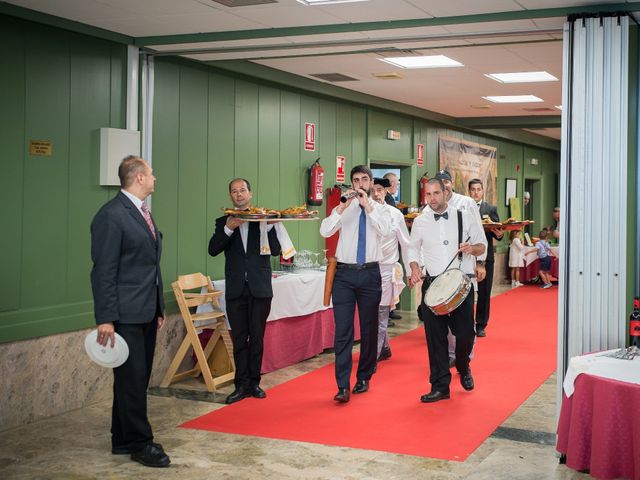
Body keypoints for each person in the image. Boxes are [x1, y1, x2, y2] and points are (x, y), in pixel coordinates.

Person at [90, 155, 170, 468]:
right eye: (151, 173)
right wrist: (105, 318)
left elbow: (149, 264)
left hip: (145, 310)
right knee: (132, 379)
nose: (154, 178)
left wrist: (158, 306)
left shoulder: (140, 212)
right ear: (138, 177)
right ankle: (141, 442)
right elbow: (103, 271)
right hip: (124, 314)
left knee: (131, 378)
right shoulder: (112, 215)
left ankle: (121, 437)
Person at [408, 178, 486, 403]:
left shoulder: (465, 215)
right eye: (428, 194)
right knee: (435, 339)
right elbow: (412, 249)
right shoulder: (421, 221)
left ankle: (463, 364)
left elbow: (482, 245)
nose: (432, 198)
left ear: (445, 192)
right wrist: (414, 267)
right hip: (432, 285)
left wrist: (472, 249)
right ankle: (440, 386)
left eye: (436, 193)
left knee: (465, 334)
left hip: (460, 285)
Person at [320, 165, 391, 403]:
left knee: (369, 330)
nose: (359, 184)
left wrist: (367, 206)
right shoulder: (344, 209)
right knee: (343, 331)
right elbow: (325, 230)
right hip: (344, 276)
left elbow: (385, 230)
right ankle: (342, 385)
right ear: (351, 184)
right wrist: (341, 208)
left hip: (370, 274)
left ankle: (364, 376)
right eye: (355, 180)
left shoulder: (380, 209)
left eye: (364, 180)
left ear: (371, 183)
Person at [208, 178, 282, 404]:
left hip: (260, 287)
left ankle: (255, 383)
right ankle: (240, 385)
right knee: (239, 338)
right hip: (236, 288)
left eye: (242, 190)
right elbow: (212, 249)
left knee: (257, 338)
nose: (239, 194)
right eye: (234, 191)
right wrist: (228, 230)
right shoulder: (224, 221)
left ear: (250, 193)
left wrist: (269, 227)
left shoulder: (263, 218)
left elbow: (277, 251)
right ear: (230, 196)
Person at [432, 170, 486, 365]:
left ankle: (465, 358)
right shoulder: (430, 207)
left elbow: (479, 236)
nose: (444, 186)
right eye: (440, 183)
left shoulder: (466, 203)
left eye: (446, 182)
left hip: (464, 269)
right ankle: (451, 356)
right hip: (441, 272)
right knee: (444, 318)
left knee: (464, 322)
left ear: (451, 183)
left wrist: (480, 262)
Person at [370, 177, 410, 362]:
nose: (376, 193)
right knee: (371, 312)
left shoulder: (396, 214)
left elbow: (406, 244)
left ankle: (373, 356)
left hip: (386, 269)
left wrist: (411, 271)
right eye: (372, 190)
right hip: (367, 270)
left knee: (380, 312)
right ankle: (384, 347)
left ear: (386, 191)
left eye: (379, 189)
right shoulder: (363, 212)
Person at [468, 178, 503, 338]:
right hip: (467, 256)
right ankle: (466, 323)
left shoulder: (491, 208)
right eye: (473, 189)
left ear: (482, 191)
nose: (476, 192)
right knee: (466, 291)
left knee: (484, 293)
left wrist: (500, 234)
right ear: (469, 191)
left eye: (478, 189)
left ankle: (481, 325)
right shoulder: (463, 207)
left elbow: (499, 232)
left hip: (486, 256)